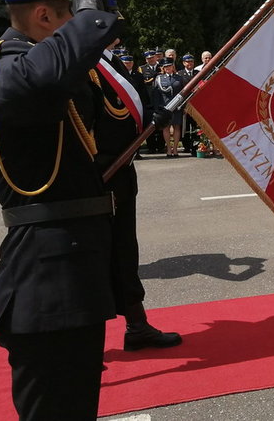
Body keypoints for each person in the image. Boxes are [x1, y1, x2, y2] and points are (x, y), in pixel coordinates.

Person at [0, 0, 121, 419]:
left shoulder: (41, 67)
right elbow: (43, 79)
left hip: (73, 271)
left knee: (76, 406)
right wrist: (91, 22)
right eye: (68, 16)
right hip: (45, 277)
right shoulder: (3, 66)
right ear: (42, 15)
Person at [92, 47, 182, 351]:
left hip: (121, 170)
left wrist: (149, 120)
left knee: (124, 252)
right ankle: (87, 343)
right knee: (93, 257)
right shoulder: (81, 60)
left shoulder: (110, 59)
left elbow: (126, 108)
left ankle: (136, 324)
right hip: (98, 172)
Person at [152, 58, 187, 157]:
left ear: (173, 66)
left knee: (177, 127)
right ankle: (168, 148)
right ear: (163, 68)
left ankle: (175, 149)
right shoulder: (159, 78)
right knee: (166, 128)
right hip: (164, 107)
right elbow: (156, 94)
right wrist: (156, 108)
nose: (168, 68)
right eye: (166, 66)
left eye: (169, 66)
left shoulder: (179, 78)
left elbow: (184, 93)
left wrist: (184, 106)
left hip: (177, 107)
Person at [139, 50, 164, 154]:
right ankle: (151, 147)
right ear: (146, 59)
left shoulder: (162, 67)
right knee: (150, 124)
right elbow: (143, 83)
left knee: (161, 123)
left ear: (156, 57)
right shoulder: (142, 69)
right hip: (148, 100)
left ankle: (161, 146)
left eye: (152, 57)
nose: (151, 59)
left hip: (160, 99)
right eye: (148, 58)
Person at [178, 54, 199, 155]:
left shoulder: (198, 73)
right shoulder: (180, 74)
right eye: (187, 62)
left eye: (191, 61)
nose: (189, 63)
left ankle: (196, 146)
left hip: (196, 104)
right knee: (185, 127)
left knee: (196, 126)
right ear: (183, 63)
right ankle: (186, 146)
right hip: (185, 104)